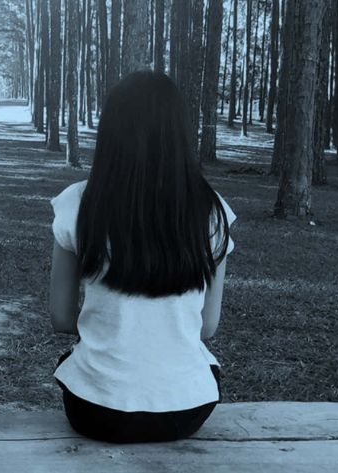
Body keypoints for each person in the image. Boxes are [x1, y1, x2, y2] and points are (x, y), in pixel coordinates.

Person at [48, 71, 236, 444]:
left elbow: (61, 317)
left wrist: (111, 331)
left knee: (72, 365)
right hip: (186, 410)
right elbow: (207, 326)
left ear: (110, 134)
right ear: (180, 135)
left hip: (96, 410)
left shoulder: (78, 203)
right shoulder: (213, 212)